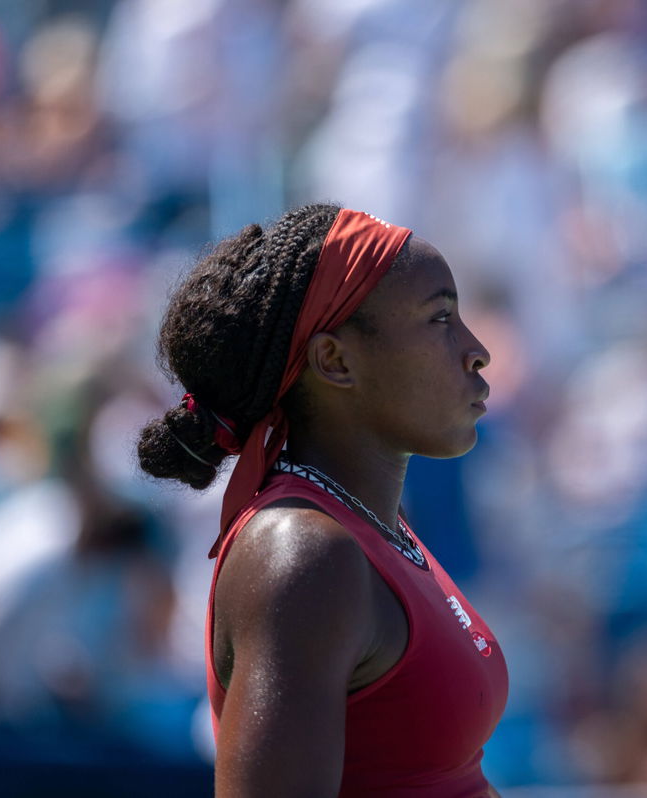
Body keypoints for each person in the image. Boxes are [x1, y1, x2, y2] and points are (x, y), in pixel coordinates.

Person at [136, 204, 508, 797]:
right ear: (334, 361)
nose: (477, 350)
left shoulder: (372, 526)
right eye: (440, 318)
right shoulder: (303, 552)